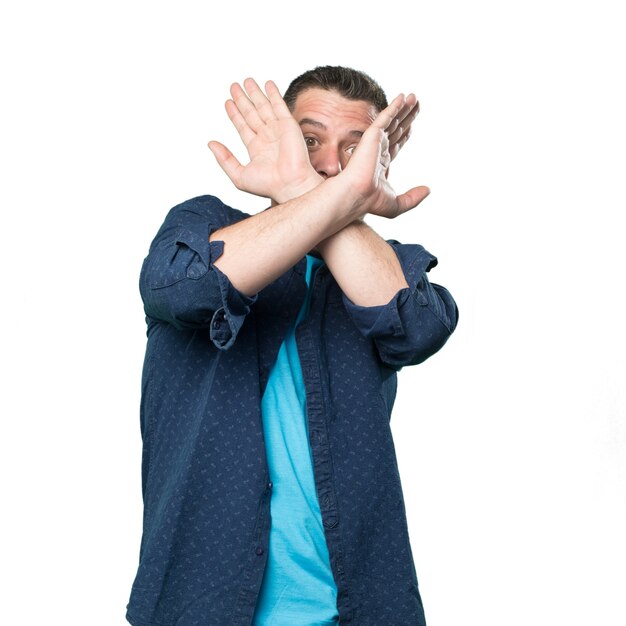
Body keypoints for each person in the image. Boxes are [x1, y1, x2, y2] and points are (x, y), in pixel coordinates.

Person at [125, 66, 458, 626]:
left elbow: (416, 328)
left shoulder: (390, 263)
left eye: (355, 150)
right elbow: (181, 288)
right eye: (308, 143)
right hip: (198, 603)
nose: (331, 164)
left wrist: (310, 191)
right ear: (276, 143)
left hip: (362, 607)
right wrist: (328, 197)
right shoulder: (204, 226)